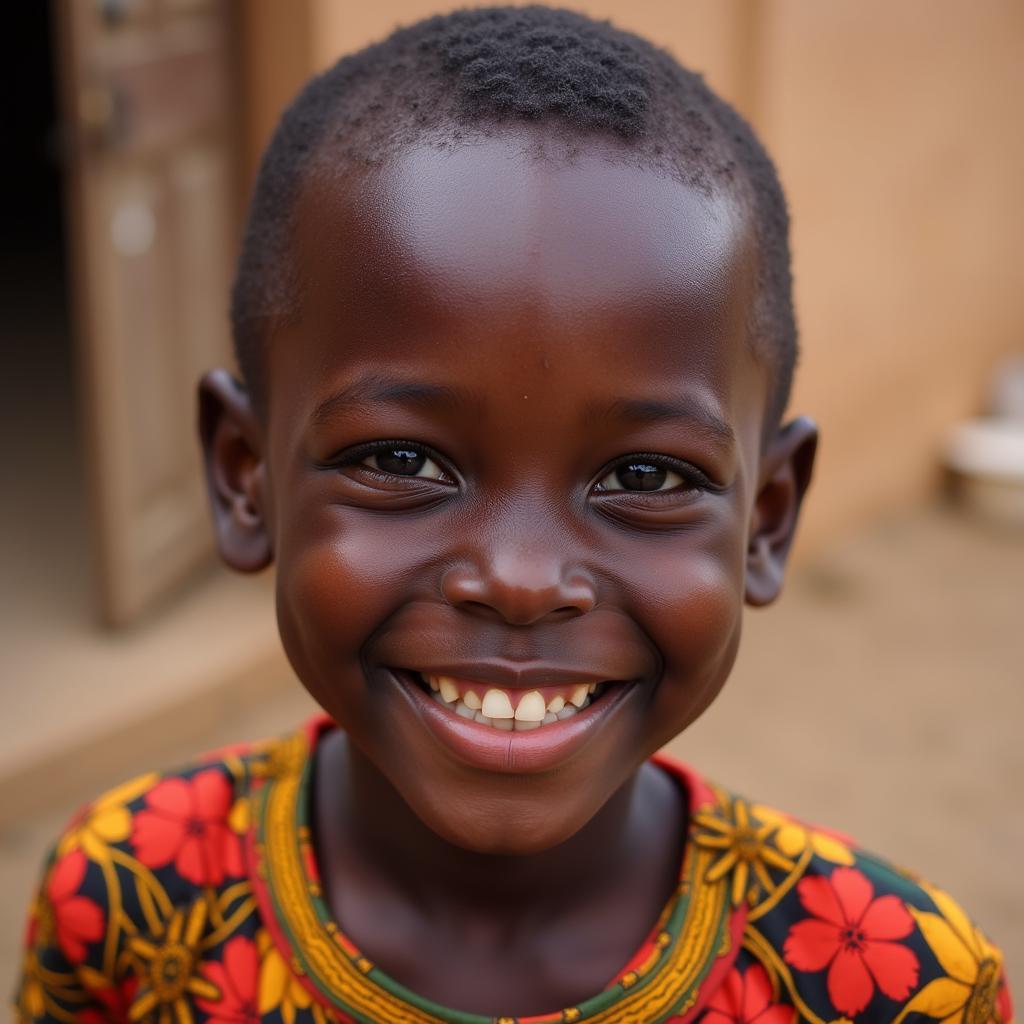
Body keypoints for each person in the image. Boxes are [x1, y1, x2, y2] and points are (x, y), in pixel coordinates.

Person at [14, 7, 1013, 1024]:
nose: (524, 578)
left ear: (764, 518)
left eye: (650, 476)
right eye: (400, 460)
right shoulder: (127, 894)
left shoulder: (891, 984)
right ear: (244, 478)